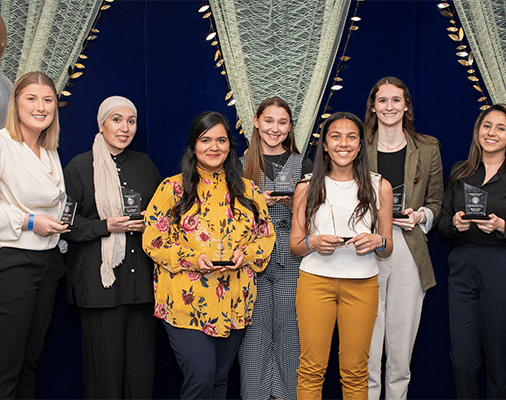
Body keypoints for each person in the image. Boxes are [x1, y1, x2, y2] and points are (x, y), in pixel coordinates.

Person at [142, 111, 275, 399]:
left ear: (229, 147)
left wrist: (247, 253)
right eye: (206, 140)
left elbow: (266, 237)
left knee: (218, 380)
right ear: (193, 145)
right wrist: (191, 259)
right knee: (201, 378)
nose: (214, 147)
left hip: (234, 299)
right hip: (185, 301)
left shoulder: (248, 190)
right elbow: (152, 240)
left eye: (221, 140)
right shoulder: (172, 188)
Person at [0, 71, 68, 399]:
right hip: (3, 265)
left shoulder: (49, 152)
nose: (40, 106)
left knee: (28, 364)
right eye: (31, 98)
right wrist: (30, 222)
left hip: (44, 264)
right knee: (4, 368)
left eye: (47, 100)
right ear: (15, 103)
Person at [438, 103, 506, 399]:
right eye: (486, 126)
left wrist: (502, 227)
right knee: (462, 360)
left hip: (503, 268)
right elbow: (444, 224)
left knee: (498, 358)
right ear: (477, 131)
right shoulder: (461, 172)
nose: (491, 133)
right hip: (462, 269)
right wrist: (454, 223)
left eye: (500, 128)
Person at [62, 96, 162, 399]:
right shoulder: (80, 167)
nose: (125, 128)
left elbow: (163, 214)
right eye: (116, 120)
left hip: (141, 287)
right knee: (104, 375)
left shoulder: (144, 164)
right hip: (99, 288)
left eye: (131, 121)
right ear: (101, 123)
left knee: (141, 375)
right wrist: (106, 226)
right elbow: (66, 226)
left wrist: (152, 222)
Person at [290, 111, 393, 399]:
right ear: (324, 144)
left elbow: (388, 247)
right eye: (335, 136)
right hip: (315, 283)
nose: (343, 143)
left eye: (351, 137)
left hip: (362, 285)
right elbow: (296, 244)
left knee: (356, 371)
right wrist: (313, 242)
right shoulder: (306, 187)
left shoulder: (379, 186)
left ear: (361, 145)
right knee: (311, 369)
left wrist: (377, 240)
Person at [363, 77, 444, 399]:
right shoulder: (358, 145)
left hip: (409, 250)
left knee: (400, 350)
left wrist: (421, 216)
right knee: (366, 349)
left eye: (396, 100)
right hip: (365, 251)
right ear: (373, 106)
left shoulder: (427, 148)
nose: (389, 107)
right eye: (382, 100)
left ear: (406, 105)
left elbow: (437, 201)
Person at [237, 96, 312, 400]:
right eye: (269, 121)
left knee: (290, 336)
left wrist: (295, 203)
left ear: (290, 127)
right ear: (256, 121)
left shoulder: (302, 163)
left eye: (282, 122)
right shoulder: (238, 164)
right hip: (251, 260)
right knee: (253, 338)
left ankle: (287, 395)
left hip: (290, 258)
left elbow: (319, 212)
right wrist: (255, 204)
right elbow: (224, 213)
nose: (275, 128)